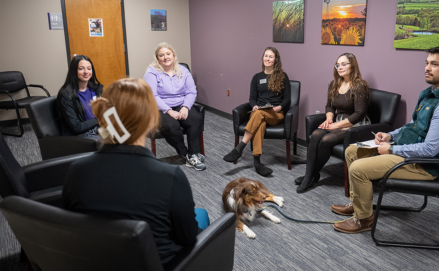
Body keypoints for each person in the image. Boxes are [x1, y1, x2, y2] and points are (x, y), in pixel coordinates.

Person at [62, 78, 210, 267]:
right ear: (151, 121)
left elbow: (71, 228)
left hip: (97, 263)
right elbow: (187, 238)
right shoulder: (170, 176)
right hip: (162, 264)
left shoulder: (76, 171)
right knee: (202, 215)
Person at [331, 46, 439, 234]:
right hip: (406, 150)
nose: (427, 68)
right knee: (352, 150)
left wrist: (390, 149)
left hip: (422, 165)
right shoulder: (430, 94)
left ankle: (363, 220)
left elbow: (430, 150)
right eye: (427, 63)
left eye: (434, 64)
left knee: (358, 169)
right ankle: (358, 204)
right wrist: (391, 136)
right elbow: (411, 126)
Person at [296, 53, 370, 193]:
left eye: (344, 64)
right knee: (316, 134)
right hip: (339, 121)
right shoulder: (334, 84)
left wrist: (336, 125)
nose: (339, 67)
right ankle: (310, 174)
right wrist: (329, 118)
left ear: (352, 65)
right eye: (338, 65)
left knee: (327, 138)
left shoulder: (360, 85)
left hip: (356, 125)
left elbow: (359, 114)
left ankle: (310, 175)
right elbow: (329, 106)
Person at [223, 47, 291, 176]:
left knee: (258, 114)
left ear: (276, 59)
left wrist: (279, 107)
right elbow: (252, 98)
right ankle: (257, 163)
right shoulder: (256, 77)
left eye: (271, 56)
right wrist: (254, 106)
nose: (268, 59)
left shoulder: (282, 76)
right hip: (260, 112)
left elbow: (287, 99)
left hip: (275, 114)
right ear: (263, 58)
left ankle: (240, 147)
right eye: (266, 56)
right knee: (259, 120)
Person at [143, 42, 205, 171]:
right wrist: (169, 111)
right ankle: (185, 153)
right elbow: (152, 96)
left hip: (181, 105)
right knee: (172, 126)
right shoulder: (152, 72)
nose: (165, 57)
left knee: (196, 120)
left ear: (173, 55)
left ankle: (193, 154)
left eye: (168, 54)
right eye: (161, 55)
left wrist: (186, 107)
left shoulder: (183, 70)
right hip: (160, 108)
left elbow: (191, 91)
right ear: (157, 58)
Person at [56, 55, 102, 139]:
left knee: (127, 131)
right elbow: (77, 127)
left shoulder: (96, 89)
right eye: (81, 68)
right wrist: (98, 120)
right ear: (74, 71)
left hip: (98, 128)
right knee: (113, 141)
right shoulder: (66, 95)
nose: (86, 72)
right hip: (82, 135)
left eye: (89, 68)